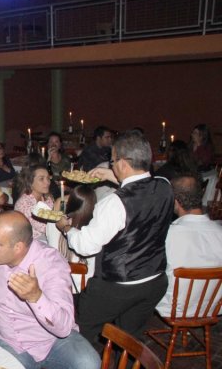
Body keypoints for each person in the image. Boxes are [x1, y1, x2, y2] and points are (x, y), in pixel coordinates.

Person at [0, 212, 100, 369]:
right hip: (12, 343)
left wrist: (36, 297)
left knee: (89, 364)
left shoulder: (50, 263)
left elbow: (64, 328)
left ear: (18, 247)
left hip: (53, 340)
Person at [56, 131, 173, 345]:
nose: (111, 165)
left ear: (123, 163)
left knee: (79, 330)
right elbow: (141, 188)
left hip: (118, 286)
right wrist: (111, 175)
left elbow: (86, 246)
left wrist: (67, 229)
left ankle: (81, 362)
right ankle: (127, 366)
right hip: (154, 280)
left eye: (113, 161)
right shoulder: (165, 185)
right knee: (129, 339)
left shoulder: (113, 203)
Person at [155, 175, 222, 317]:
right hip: (214, 308)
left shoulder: (168, 234)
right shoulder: (219, 231)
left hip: (174, 309)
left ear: (175, 201)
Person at [45, 185, 97, 293]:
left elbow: (55, 212)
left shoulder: (55, 224)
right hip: (82, 287)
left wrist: (59, 202)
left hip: (55, 282)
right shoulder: (93, 231)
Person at [14, 164, 53, 242]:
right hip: (31, 242)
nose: (47, 182)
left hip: (47, 237)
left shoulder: (46, 198)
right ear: (30, 182)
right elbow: (44, 228)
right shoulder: (25, 203)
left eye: (48, 178)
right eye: (41, 179)